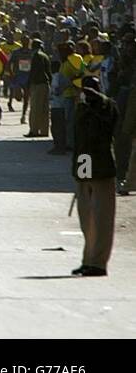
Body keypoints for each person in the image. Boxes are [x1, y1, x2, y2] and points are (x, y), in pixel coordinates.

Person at [71, 77, 117, 276]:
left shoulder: (107, 106)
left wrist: (98, 98)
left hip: (101, 164)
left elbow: (109, 119)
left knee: (102, 216)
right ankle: (88, 259)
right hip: (84, 162)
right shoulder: (82, 108)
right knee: (86, 215)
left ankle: (98, 263)